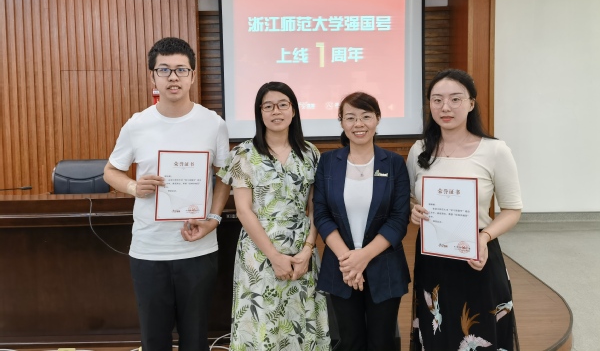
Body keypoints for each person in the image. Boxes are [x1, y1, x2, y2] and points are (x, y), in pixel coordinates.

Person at [103, 37, 230, 351]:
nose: (173, 77)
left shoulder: (213, 124)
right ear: (153, 76)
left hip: (198, 249)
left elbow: (225, 176)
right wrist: (134, 187)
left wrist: (213, 219)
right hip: (149, 250)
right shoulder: (137, 124)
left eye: (181, 70)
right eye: (164, 70)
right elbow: (111, 171)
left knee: (195, 339)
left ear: (192, 75)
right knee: (154, 340)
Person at [409, 69, 523, 351]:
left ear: (471, 103)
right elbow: (412, 199)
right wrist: (414, 210)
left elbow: (512, 209)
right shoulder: (419, 150)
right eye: (437, 100)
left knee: (480, 333)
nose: (445, 107)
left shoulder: (495, 151)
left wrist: (484, 237)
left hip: (477, 256)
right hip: (433, 259)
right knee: (436, 333)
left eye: (455, 99)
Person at [216, 81, 330, 350]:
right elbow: (243, 210)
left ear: (294, 110)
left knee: (301, 324)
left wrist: (308, 249)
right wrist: (275, 257)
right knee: (261, 327)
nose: (275, 111)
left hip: (301, 252)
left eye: (282, 105)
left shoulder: (310, 153)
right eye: (268, 106)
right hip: (258, 254)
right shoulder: (243, 153)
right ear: (260, 112)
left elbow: (316, 206)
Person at [313, 92, 411, 351]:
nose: (359, 124)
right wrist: (349, 261)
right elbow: (321, 214)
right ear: (341, 122)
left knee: (382, 342)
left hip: (384, 265)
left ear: (377, 119)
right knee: (350, 342)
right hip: (341, 266)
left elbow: (399, 219)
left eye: (366, 116)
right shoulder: (328, 162)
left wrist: (363, 256)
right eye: (351, 117)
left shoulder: (394, 163)